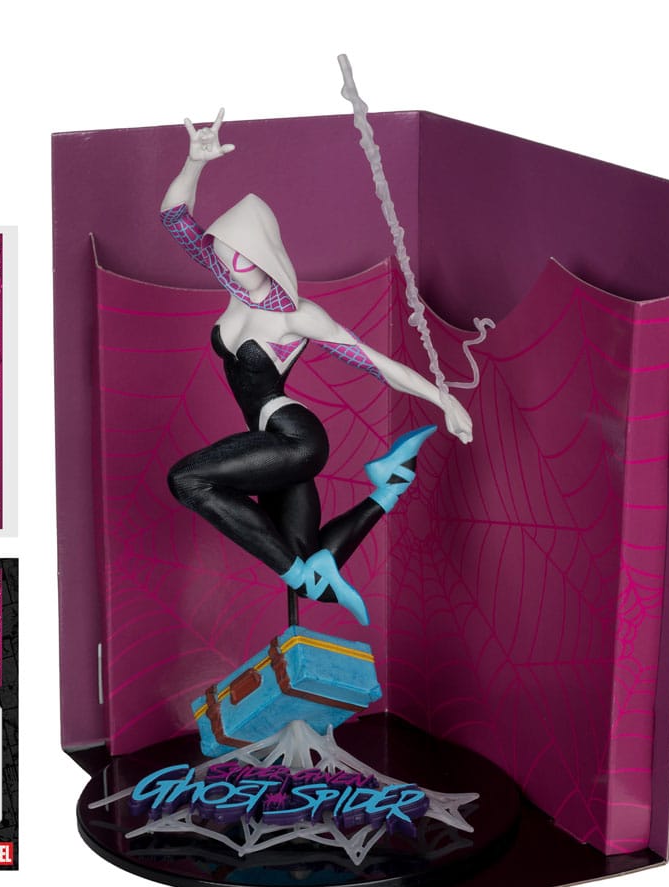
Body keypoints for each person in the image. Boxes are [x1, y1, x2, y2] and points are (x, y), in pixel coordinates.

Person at [161, 110, 472, 625]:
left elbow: (375, 363)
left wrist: (444, 399)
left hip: (293, 439)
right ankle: (389, 485)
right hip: (267, 448)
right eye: (225, 251)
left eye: (242, 253)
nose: (230, 261)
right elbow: (175, 218)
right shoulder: (231, 282)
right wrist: (195, 163)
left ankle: (301, 572)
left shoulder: (295, 316)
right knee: (308, 567)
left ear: (264, 254)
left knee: (187, 480)